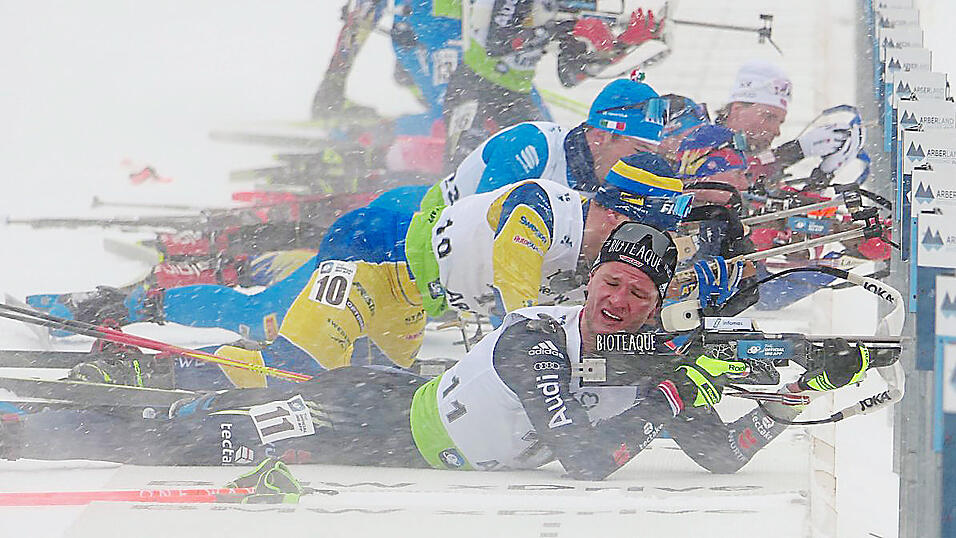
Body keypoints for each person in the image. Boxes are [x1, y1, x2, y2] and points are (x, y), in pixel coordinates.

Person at [0, 223, 872, 480]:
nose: (617, 300)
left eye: (636, 295)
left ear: (654, 304)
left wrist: (786, 407)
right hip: (369, 418)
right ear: (592, 281)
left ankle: (165, 372)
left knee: (216, 406)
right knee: (186, 438)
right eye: (610, 282)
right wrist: (684, 394)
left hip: (389, 403)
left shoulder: (653, 362)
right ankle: (29, 425)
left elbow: (719, 458)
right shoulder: (540, 337)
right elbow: (584, 459)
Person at [26, 78, 671, 343]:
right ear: (603, 132)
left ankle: (271, 268)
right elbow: (486, 233)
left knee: (308, 323)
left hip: (427, 279)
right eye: (639, 150)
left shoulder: (621, 187)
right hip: (391, 236)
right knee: (268, 319)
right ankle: (116, 307)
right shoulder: (531, 147)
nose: (648, 166)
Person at [155, 153, 690, 390]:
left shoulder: (598, 261)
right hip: (372, 254)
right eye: (654, 231)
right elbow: (513, 274)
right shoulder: (546, 204)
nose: (653, 247)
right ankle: (153, 366)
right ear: (625, 213)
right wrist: (532, 337)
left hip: (409, 301)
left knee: (362, 394)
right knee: (296, 370)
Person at [442, 0, 663, 167]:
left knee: (553, 162)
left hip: (515, 97)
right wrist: (563, 27)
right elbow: (497, 42)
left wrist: (620, 45)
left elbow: (570, 75)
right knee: (465, 167)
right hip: (476, 89)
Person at [715, 60, 860, 184]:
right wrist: (797, 150)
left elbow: (757, 168)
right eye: (769, 117)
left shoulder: (737, 151)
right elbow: (735, 180)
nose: (777, 132)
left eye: (780, 122)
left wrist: (823, 175)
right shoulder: (701, 143)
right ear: (737, 110)